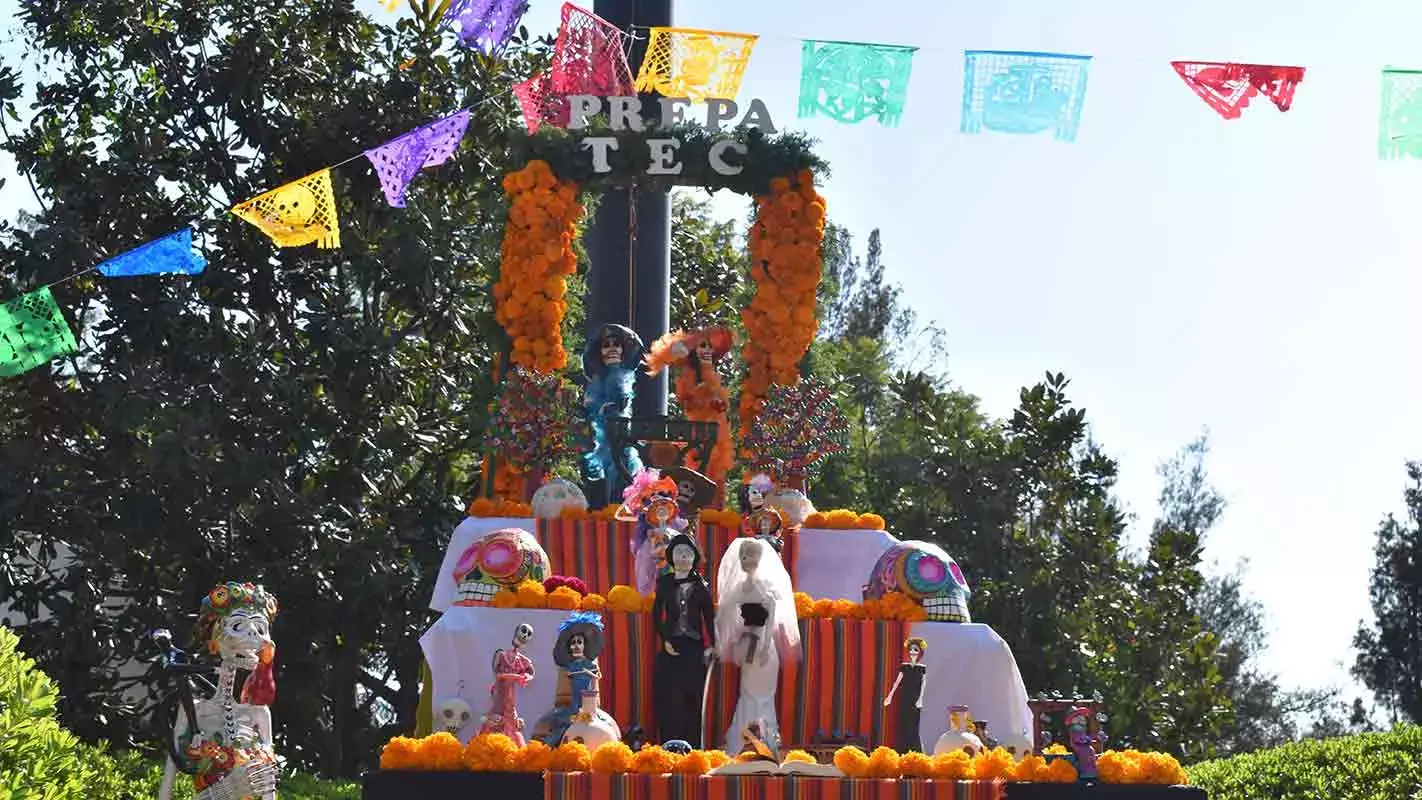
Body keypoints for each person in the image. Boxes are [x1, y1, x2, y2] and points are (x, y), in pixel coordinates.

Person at [715, 537, 800, 754]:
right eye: (743, 556)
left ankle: (768, 743)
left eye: (750, 555)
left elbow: (771, 617)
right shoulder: (739, 588)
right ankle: (740, 743)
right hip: (747, 646)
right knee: (747, 694)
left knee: (764, 696)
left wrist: (762, 647)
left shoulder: (766, 587)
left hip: (764, 646)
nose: (746, 559)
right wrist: (731, 636)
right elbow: (726, 613)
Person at [644, 327, 734, 501]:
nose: (707, 351)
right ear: (694, 351)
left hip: (718, 432)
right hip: (699, 433)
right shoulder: (689, 376)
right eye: (702, 346)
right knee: (701, 469)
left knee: (718, 471)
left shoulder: (712, 375)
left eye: (710, 347)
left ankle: (714, 508)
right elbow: (688, 401)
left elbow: (720, 404)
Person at [652, 534, 716, 746]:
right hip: (672, 646)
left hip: (694, 648)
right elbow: (656, 613)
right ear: (671, 557)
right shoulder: (665, 583)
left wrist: (713, 645)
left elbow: (709, 617)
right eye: (679, 553)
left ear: (694, 557)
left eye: (688, 554)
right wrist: (664, 639)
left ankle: (693, 745)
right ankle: (669, 743)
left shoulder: (700, 585)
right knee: (671, 698)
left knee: (692, 697)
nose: (683, 558)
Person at [581, 323, 645, 509]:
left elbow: (621, 401)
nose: (611, 349)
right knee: (598, 478)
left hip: (622, 438)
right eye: (606, 345)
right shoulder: (596, 381)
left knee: (622, 476)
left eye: (616, 344)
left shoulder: (624, 375)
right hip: (599, 440)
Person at [480, 623, 536, 745]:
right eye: (523, 632)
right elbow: (497, 674)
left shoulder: (523, 660)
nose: (525, 636)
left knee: (510, 721)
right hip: (500, 693)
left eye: (528, 635)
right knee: (495, 717)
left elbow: (531, 672)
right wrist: (515, 677)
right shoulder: (502, 655)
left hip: (510, 697)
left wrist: (526, 677)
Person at [882, 637, 928, 752]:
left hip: (915, 699)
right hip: (904, 698)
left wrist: (920, 699)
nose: (913, 652)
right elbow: (897, 682)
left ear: (920, 652)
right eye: (911, 650)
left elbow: (923, 685)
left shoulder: (922, 669)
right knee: (903, 723)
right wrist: (890, 696)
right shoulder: (904, 667)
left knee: (914, 724)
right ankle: (901, 750)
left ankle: (915, 750)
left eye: (915, 650)